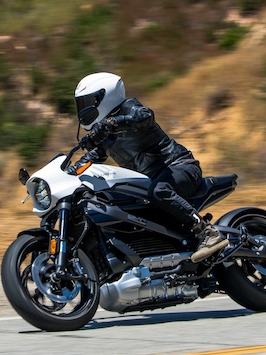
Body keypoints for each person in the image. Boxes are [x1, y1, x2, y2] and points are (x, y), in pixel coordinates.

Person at [74, 72, 227, 261]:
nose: (83, 110)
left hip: (181, 167)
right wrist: (69, 172)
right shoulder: (106, 138)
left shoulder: (130, 109)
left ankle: (207, 232)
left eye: (87, 102)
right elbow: (89, 160)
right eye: (81, 104)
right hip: (151, 183)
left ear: (105, 97)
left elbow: (146, 116)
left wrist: (112, 123)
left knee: (159, 190)